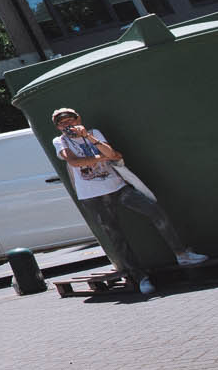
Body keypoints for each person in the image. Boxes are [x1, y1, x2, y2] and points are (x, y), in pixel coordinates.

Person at [52, 107, 207, 294]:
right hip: (92, 195)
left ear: (78, 119)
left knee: (153, 210)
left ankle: (182, 254)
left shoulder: (94, 133)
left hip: (118, 187)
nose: (67, 125)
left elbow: (112, 152)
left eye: (70, 120)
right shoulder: (60, 141)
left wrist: (89, 138)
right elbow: (75, 162)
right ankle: (140, 277)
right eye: (62, 123)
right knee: (115, 236)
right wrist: (102, 157)